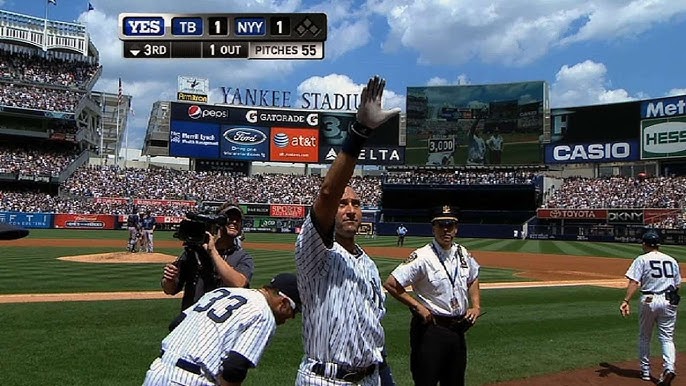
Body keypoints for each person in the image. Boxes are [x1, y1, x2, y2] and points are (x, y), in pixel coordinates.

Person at [294, 75, 400, 386]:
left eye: (355, 202)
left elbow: (372, 328)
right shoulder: (315, 252)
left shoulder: (367, 264)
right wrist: (360, 132)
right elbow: (328, 192)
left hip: (371, 377)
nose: (351, 208)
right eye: (344, 204)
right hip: (325, 379)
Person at [142, 273, 302, 386]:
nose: (292, 317)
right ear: (283, 303)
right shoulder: (263, 314)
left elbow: (176, 324)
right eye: (294, 311)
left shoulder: (222, 291)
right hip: (190, 381)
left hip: (158, 371)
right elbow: (235, 367)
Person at [384, 204, 482, 386]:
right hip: (431, 330)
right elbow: (391, 283)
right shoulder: (422, 256)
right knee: (426, 381)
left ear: (456, 228)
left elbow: (473, 277)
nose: (446, 230)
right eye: (441, 225)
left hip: (458, 330)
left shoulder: (463, 254)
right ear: (433, 228)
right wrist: (417, 306)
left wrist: (476, 306)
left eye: (450, 225)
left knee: (455, 381)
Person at [162, 202, 255, 311]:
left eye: (238, 219)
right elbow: (170, 290)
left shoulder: (242, 257)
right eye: (229, 218)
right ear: (218, 223)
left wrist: (212, 251)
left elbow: (239, 284)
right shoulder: (195, 252)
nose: (234, 221)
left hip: (222, 323)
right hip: (192, 320)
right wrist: (170, 279)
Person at [620, 230, 681, 385]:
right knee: (667, 338)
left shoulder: (642, 259)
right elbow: (677, 284)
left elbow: (634, 282)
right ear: (659, 244)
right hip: (669, 300)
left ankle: (646, 372)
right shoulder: (672, 260)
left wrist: (626, 300)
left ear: (644, 244)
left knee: (644, 337)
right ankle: (669, 368)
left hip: (649, 299)